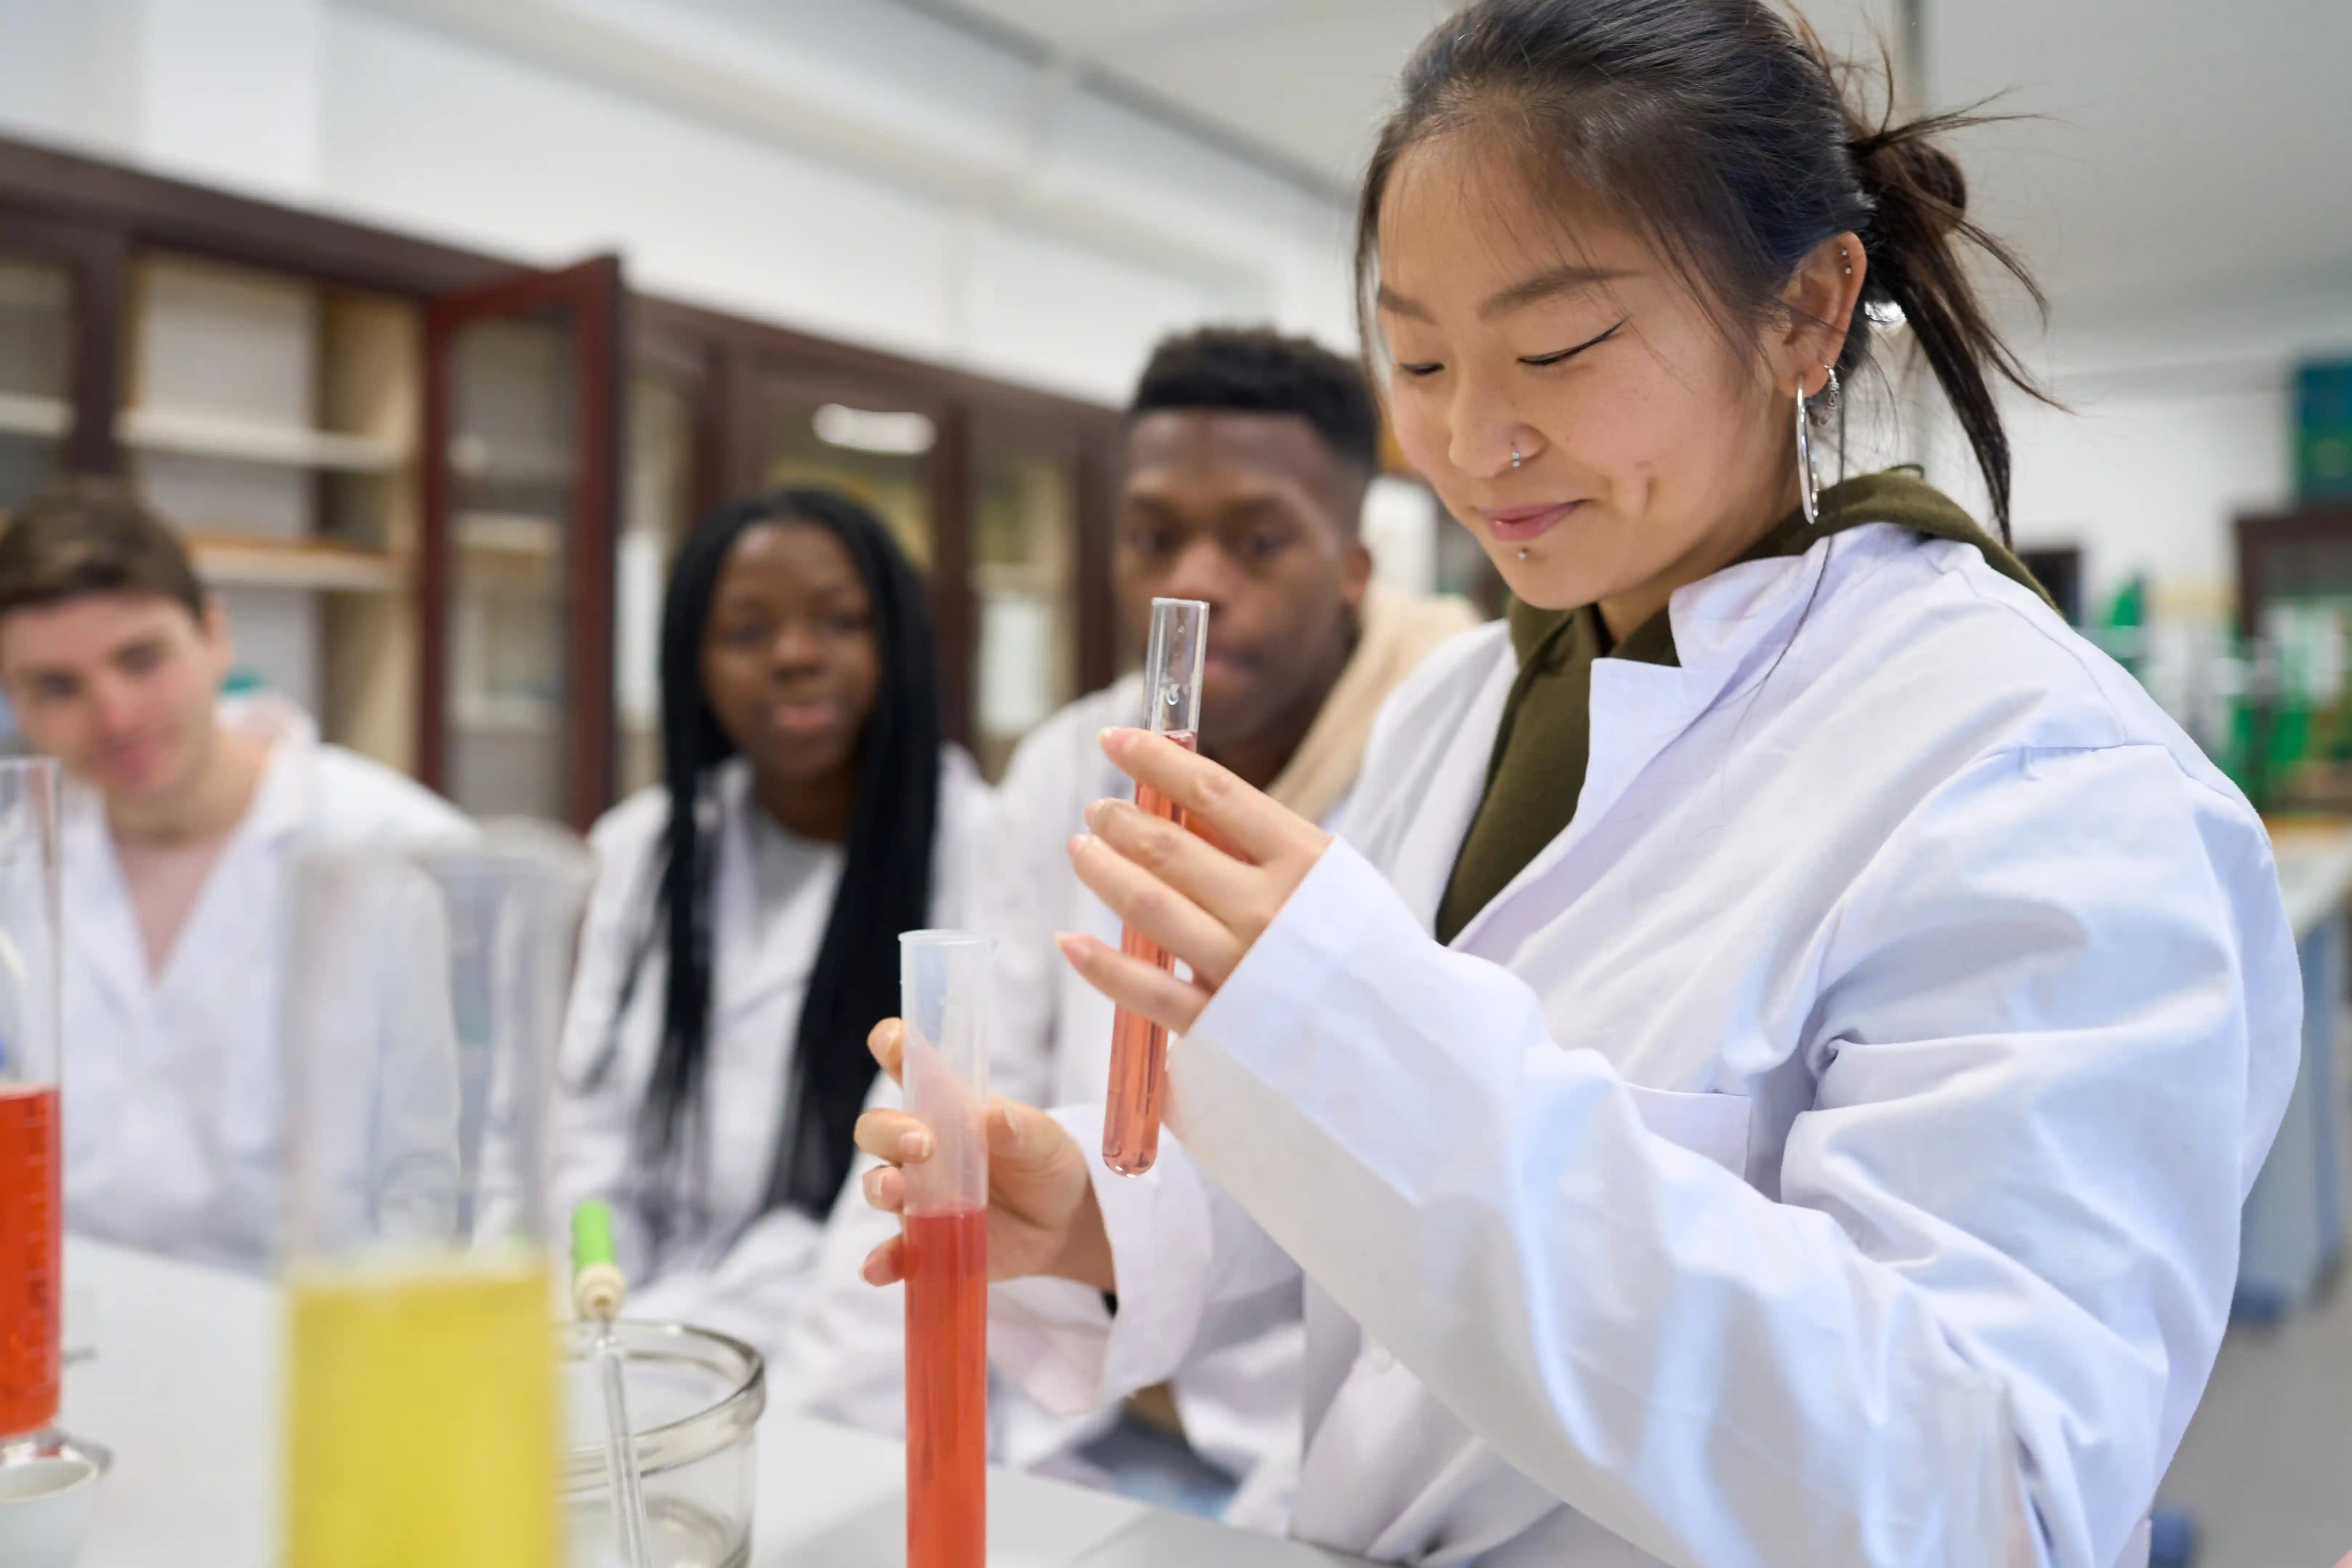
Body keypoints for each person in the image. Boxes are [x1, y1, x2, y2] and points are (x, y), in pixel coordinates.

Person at [850, 4, 2299, 1566]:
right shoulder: (1464, 708)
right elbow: (1383, 1210)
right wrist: (1115, 1217)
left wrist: (1363, 1041)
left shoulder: (2031, 777)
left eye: (1558, 347)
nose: (1473, 441)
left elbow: (1986, 1497)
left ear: (1807, 310)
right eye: (1416, 356)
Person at [974, 327, 1477, 1516]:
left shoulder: (1442, 765)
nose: (1194, 579)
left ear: (1354, 565)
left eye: (1259, 540)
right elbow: (966, 1059)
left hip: (1315, 1461)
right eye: (1154, 535)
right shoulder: (1069, 762)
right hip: (1068, 1412)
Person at [555, 487, 985, 1374]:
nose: (795, 657)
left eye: (838, 621)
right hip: (634, 1338)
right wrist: (597, 1328)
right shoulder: (644, 851)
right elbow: (584, 1143)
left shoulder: (980, 856)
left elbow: (894, 1220)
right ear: (692, 667)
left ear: (896, 642)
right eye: (747, 633)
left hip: (848, 1362)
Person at [0, 478, 471, 1273]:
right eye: (57, 687)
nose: (114, 716)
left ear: (214, 635)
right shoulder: (15, 868)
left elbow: (468, 1198)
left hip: (319, 1359)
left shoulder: (405, 855)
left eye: (141, 659)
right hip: (62, 1347)